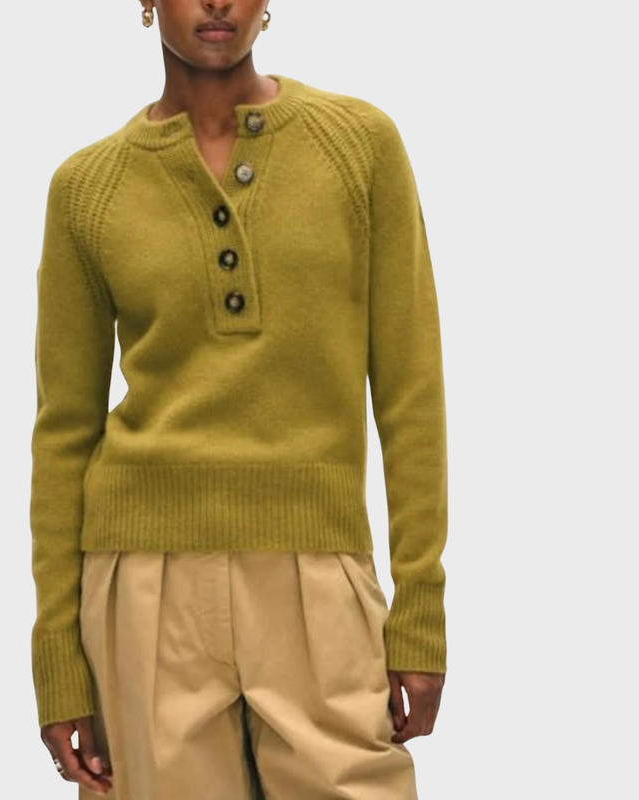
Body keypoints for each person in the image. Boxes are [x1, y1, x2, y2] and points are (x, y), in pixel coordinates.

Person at [28, 1, 449, 797]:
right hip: (142, 588)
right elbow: (63, 432)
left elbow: (412, 390)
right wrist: (58, 659)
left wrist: (419, 611)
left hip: (318, 574)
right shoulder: (87, 189)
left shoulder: (359, 146)